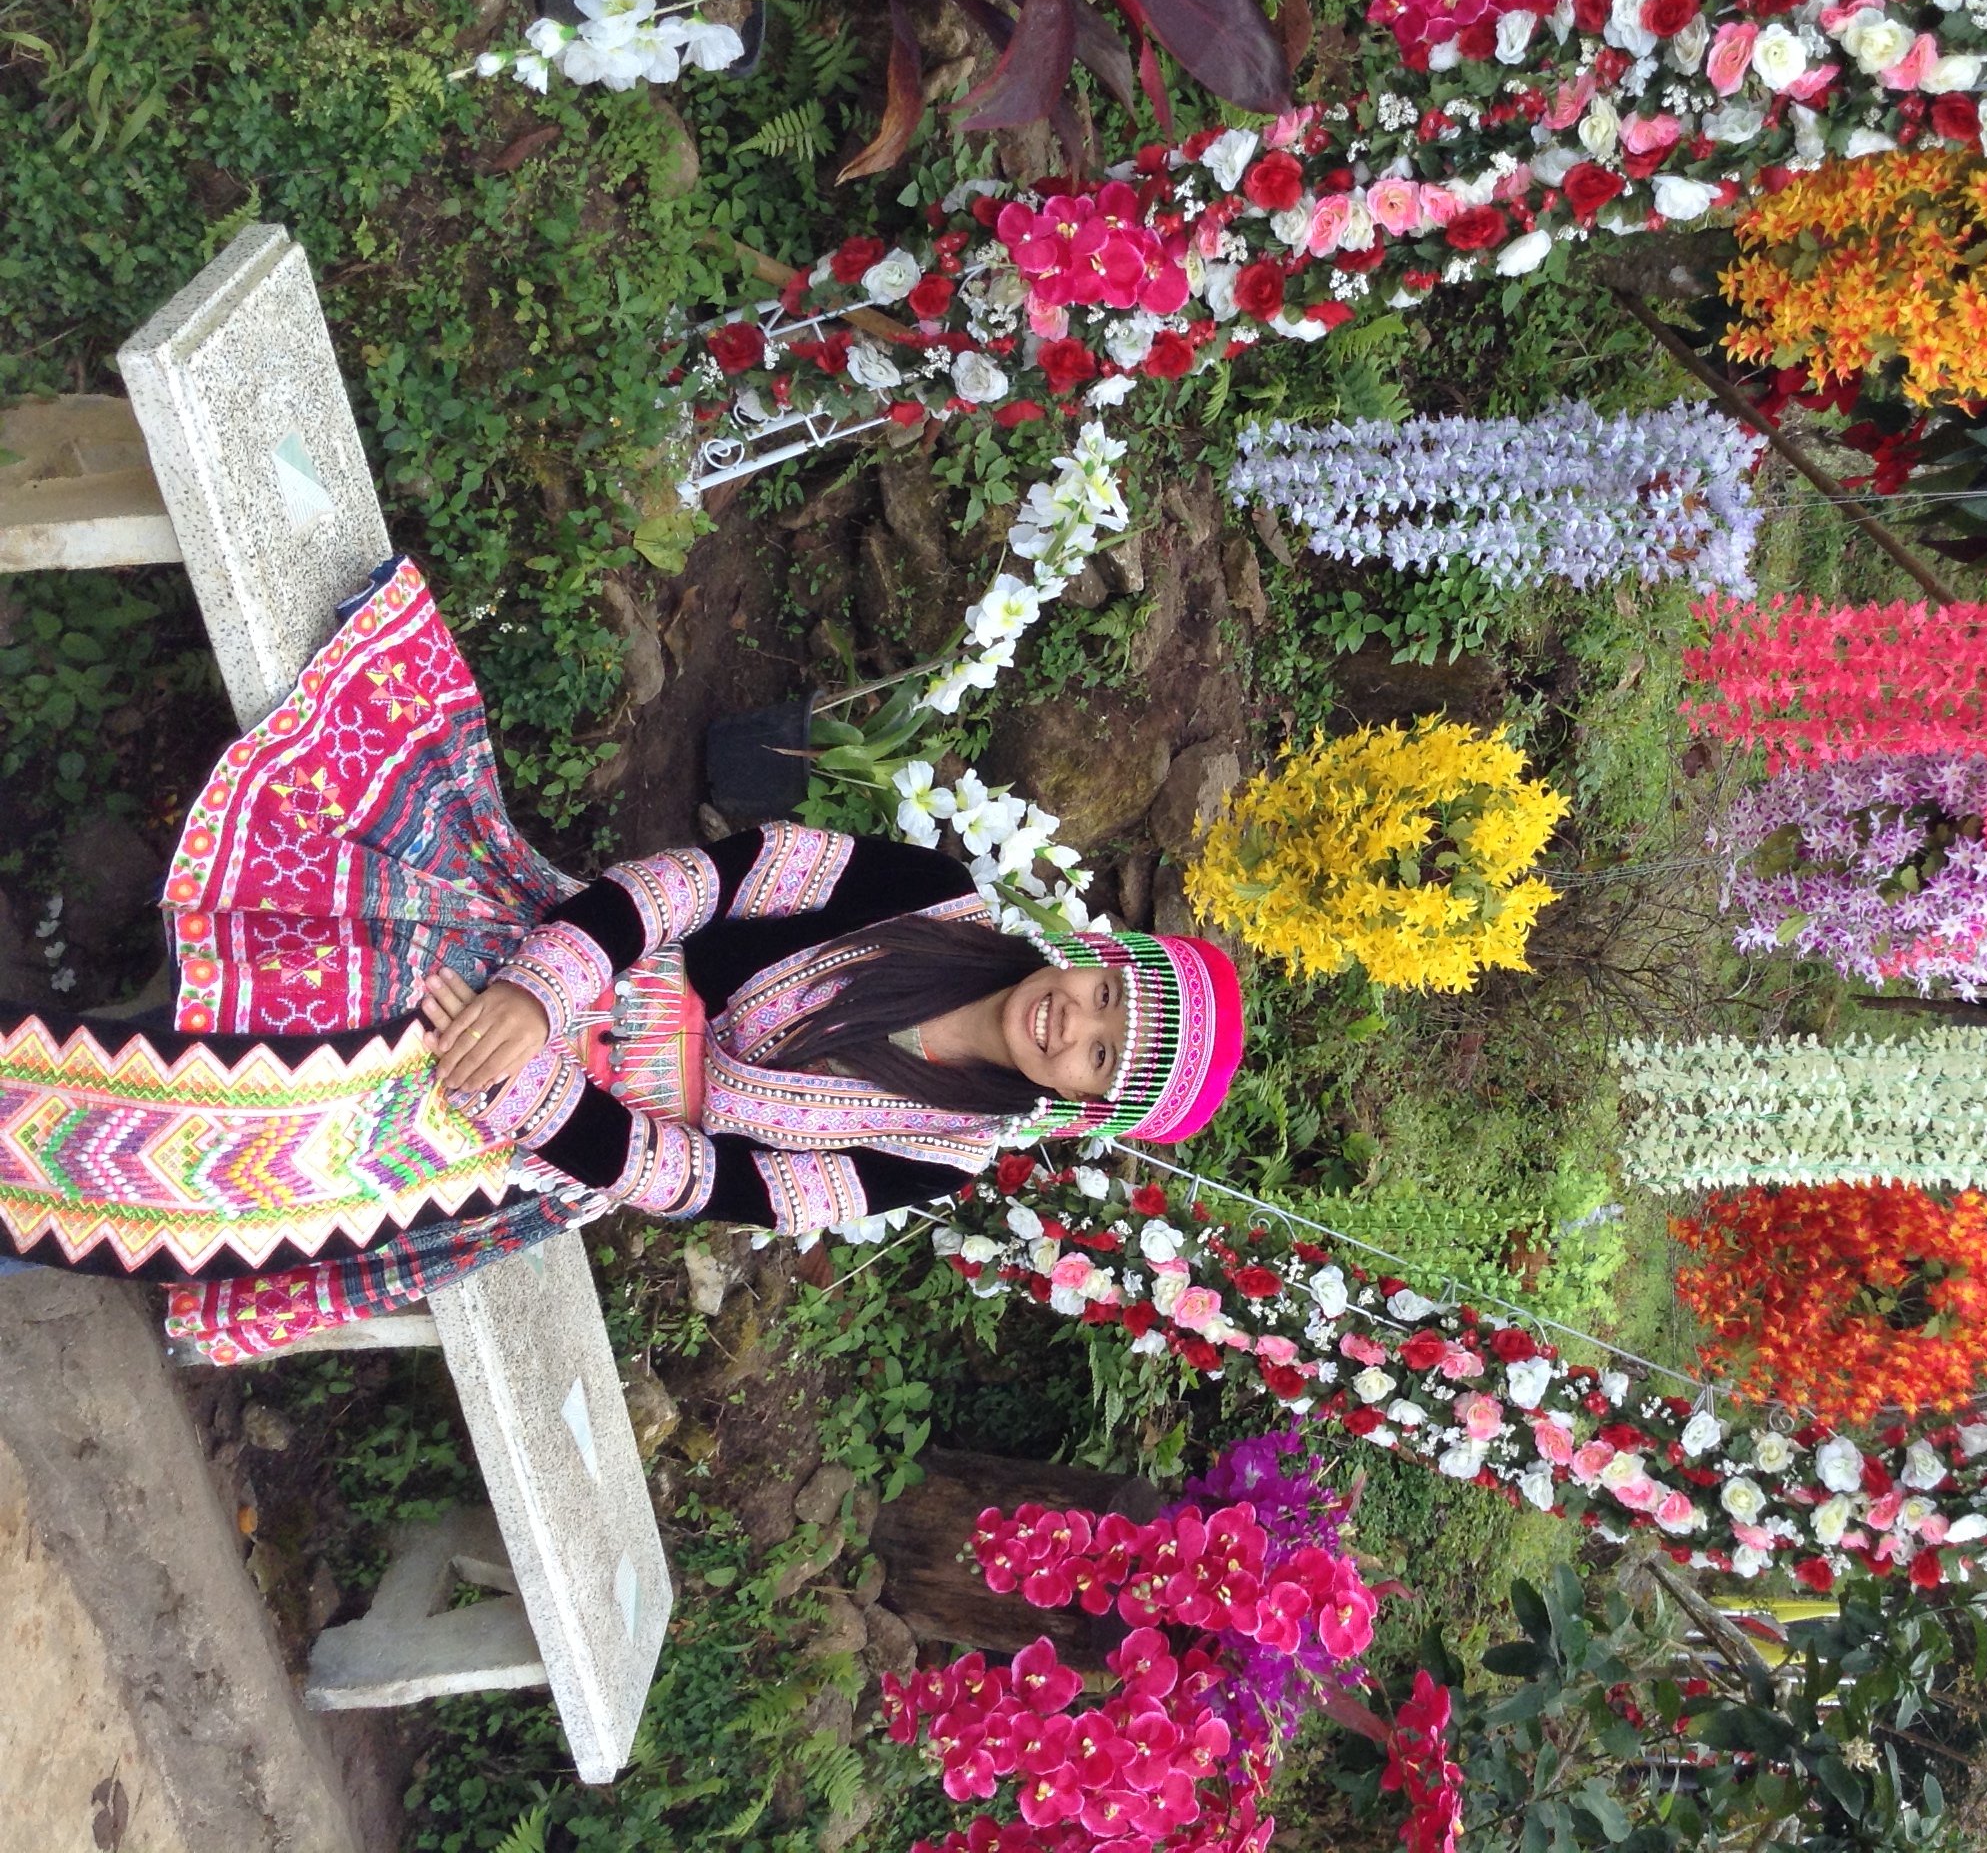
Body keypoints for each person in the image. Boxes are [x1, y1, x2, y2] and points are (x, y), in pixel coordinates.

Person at [0, 558, 1242, 1361]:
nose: (1072, 1022)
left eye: (1099, 1054)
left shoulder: (939, 1152)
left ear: (1085, 1100)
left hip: (564, 1133)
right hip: (564, 958)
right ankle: (69, 1104)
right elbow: (707, 882)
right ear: (1095, 955)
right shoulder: (934, 899)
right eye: (1102, 997)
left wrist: (536, 1094)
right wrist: (536, 997)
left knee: (310, 1159)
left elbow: (711, 1182)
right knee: (340, 1026)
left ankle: (40, 1169)